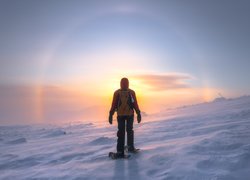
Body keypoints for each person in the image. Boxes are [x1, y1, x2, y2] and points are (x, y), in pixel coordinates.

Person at [109, 77, 141, 158]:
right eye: (123, 83)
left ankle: (121, 151)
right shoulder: (130, 92)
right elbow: (135, 104)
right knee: (127, 131)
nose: (124, 84)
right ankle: (129, 148)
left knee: (122, 132)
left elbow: (114, 104)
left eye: (124, 83)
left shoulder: (119, 92)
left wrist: (111, 114)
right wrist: (138, 113)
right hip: (128, 115)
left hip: (122, 115)